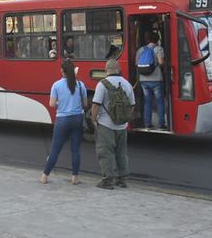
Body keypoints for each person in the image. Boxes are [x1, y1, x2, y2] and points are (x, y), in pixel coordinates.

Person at [40, 59, 87, 185]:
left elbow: (51, 104)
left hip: (62, 120)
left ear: (62, 70)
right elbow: (85, 104)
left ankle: (45, 175)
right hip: (77, 119)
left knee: (55, 150)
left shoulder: (56, 85)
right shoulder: (81, 85)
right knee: (75, 150)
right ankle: (75, 177)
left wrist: (60, 102)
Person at [90, 59, 135, 189]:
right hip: (122, 126)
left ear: (106, 70)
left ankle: (107, 181)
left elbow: (95, 105)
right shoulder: (127, 84)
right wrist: (124, 118)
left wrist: (94, 120)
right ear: (119, 69)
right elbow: (132, 105)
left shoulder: (102, 84)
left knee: (105, 152)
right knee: (121, 152)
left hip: (105, 124)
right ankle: (122, 180)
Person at [136, 31, 165, 129]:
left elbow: (136, 64)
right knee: (159, 101)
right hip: (156, 79)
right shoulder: (158, 49)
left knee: (147, 101)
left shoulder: (140, 50)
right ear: (157, 40)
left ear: (147, 40)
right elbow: (161, 62)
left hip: (143, 80)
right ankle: (161, 124)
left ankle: (147, 123)